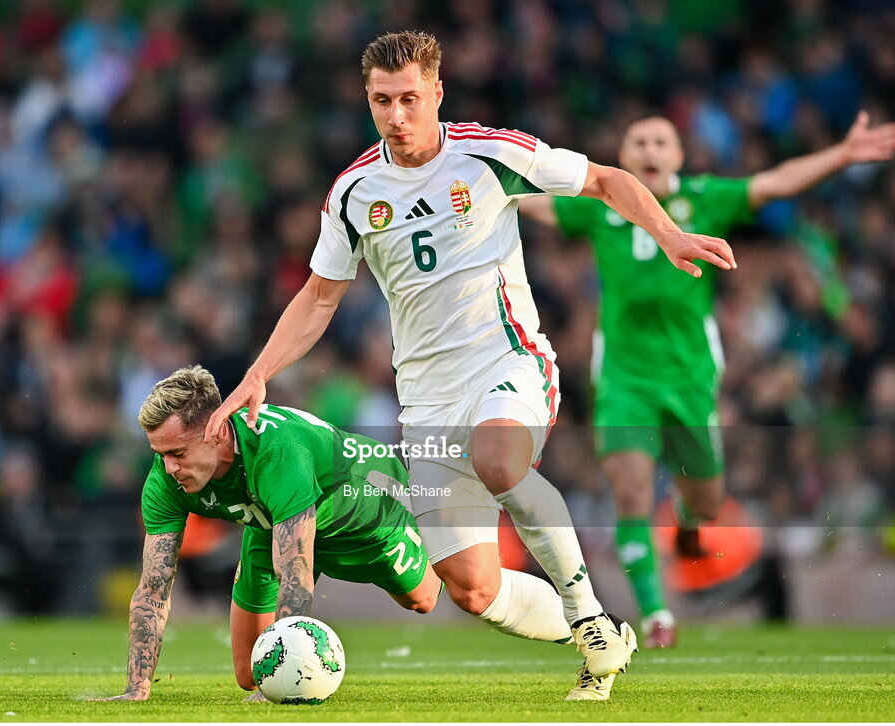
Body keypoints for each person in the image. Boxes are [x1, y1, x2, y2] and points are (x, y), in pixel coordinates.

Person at [204, 31, 737, 701]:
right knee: (473, 587)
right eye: (381, 101)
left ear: (436, 93)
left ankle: (589, 620)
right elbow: (318, 298)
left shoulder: (490, 154)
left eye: (408, 99)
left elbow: (604, 180)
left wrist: (668, 234)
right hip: (427, 400)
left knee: (498, 460)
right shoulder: (352, 192)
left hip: (509, 363)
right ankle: (601, 634)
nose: (396, 116)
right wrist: (260, 371)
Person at [519, 111, 895, 648]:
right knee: (630, 493)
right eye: (639, 141)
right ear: (624, 157)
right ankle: (656, 617)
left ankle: (689, 524)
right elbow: (532, 201)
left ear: (677, 156)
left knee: (707, 503)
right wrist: (479, 184)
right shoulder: (599, 209)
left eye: (660, 142)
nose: (649, 149)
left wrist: (841, 153)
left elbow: (776, 181)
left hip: (690, 379)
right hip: (625, 379)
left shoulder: (706, 198)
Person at [95, 365, 442, 702]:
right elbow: (154, 587)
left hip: (361, 517)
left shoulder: (276, 451)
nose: (169, 468)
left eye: (178, 453)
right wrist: (136, 690)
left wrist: (284, 679)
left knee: (423, 599)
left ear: (216, 432)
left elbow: (296, 571)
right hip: (271, 525)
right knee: (251, 674)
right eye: (160, 454)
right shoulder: (165, 480)